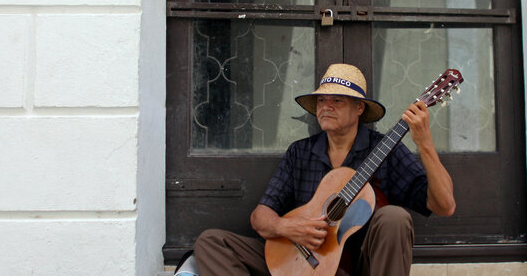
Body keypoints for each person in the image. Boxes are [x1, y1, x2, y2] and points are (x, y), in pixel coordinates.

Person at [191, 63, 456, 276]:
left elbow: (444, 206)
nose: (325, 106)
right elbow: (260, 217)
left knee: (395, 218)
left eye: (337, 101)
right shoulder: (300, 152)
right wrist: (286, 227)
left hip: (358, 266)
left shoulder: (385, 150)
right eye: (321, 101)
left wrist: (424, 143)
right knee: (211, 242)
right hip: (301, 262)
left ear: (359, 108)